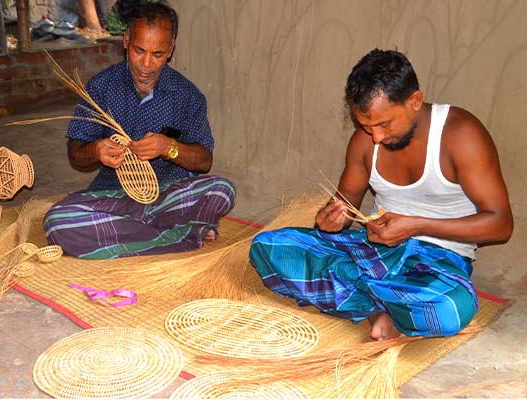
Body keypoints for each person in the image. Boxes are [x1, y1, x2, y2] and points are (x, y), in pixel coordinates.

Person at [249, 49, 513, 340]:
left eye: (384, 124)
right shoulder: (363, 143)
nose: (375, 137)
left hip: (438, 261)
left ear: (414, 101)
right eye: (365, 125)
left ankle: (359, 295)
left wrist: (416, 225)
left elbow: (501, 225)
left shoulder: (461, 135)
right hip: (374, 251)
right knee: (268, 246)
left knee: (449, 308)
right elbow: (346, 206)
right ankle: (379, 311)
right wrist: (333, 220)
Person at [44, 0, 236, 259]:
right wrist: (95, 150)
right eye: (138, 50)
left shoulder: (188, 95)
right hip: (112, 196)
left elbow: (204, 161)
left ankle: (136, 234)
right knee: (58, 222)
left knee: (222, 190)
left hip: (168, 195)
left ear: (170, 51)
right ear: (125, 41)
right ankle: (180, 236)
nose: (146, 63)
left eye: (157, 54)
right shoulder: (101, 87)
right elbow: (75, 153)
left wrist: (169, 148)